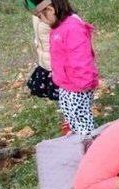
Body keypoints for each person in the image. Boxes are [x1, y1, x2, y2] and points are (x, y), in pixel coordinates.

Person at [26, 0, 99, 134]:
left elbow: (81, 59)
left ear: (50, 10)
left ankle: (90, 143)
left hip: (78, 86)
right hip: (66, 84)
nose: (41, 21)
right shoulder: (59, 26)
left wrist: (82, 84)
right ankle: (78, 136)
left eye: (40, 17)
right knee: (70, 114)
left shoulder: (73, 28)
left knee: (80, 118)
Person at [25, 12, 60, 102]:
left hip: (57, 64)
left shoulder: (54, 12)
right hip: (44, 60)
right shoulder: (36, 14)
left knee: (62, 94)